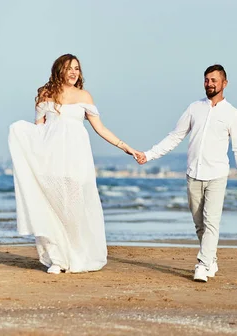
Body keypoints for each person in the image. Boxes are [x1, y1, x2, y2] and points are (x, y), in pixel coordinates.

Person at [8, 53, 139, 274]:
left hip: (78, 158)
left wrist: (127, 147)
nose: (73, 72)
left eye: (76, 68)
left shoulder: (84, 96)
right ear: (59, 70)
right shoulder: (46, 94)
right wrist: (20, 136)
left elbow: (100, 128)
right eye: (68, 68)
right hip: (51, 157)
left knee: (75, 206)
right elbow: (38, 128)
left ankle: (77, 256)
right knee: (52, 206)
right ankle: (58, 259)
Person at [135, 64, 237, 282]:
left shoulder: (232, 114)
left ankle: (202, 264)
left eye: (214, 80)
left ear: (225, 83)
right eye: (207, 80)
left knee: (211, 221)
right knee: (200, 224)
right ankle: (211, 258)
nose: (209, 84)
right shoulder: (194, 108)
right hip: (193, 174)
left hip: (217, 174)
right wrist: (148, 155)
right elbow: (175, 137)